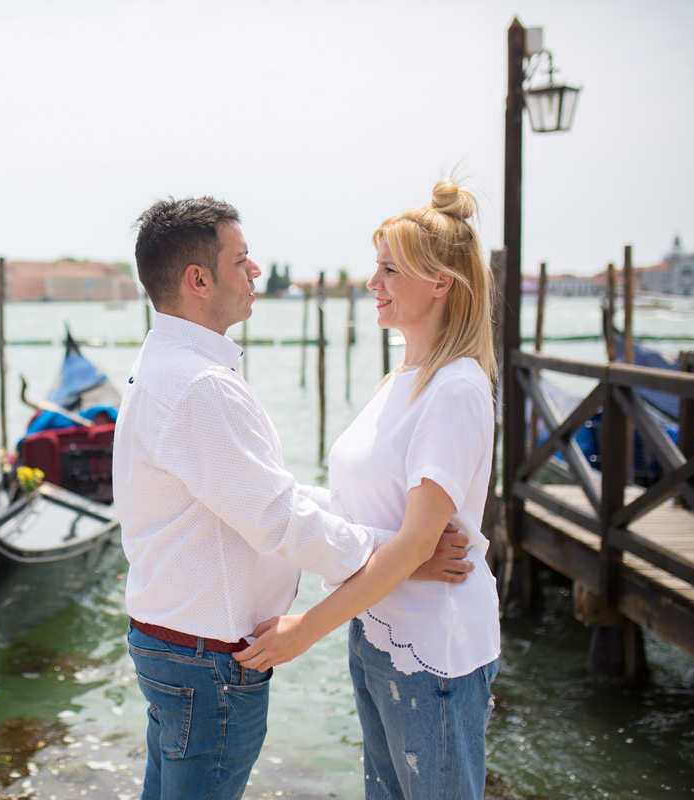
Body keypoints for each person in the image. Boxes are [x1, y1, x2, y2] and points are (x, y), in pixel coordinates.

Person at [115, 196, 474, 800]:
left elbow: (264, 497)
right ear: (197, 280)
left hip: (176, 643)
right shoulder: (200, 386)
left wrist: (387, 543)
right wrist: (402, 552)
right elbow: (277, 519)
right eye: (242, 260)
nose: (256, 271)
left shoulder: (168, 364)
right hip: (208, 659)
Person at [234, 178, 500, 800]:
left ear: (441, 283)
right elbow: (360, 509)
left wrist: (304, 631)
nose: (372, 283)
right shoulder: (400, 378)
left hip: (435, 650)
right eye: (374, 267)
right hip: (376, 630)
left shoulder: (456, 388)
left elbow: (415, 545)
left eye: (389, 269)